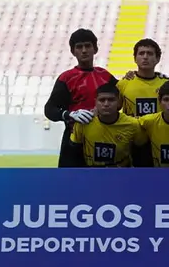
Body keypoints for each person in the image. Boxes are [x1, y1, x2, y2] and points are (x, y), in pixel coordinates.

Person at [44, 28, 118, 167]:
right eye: (79, 47)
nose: (84, 50)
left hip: (104, 139)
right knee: (70, 185)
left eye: (88, 46)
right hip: (74, 141)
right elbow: (49, 109)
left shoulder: (106, 76)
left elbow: (126, 94)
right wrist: (69, 114)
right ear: (73, 51)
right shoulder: (66, 78)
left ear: (95, 49)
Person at [61, 82, 149, 168]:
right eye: (102, 100)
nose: (106, 104)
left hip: (121, 174)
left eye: (111, 100)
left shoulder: (132, 124)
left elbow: (141, 153)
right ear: (95, 102)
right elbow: (74, 152)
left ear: (118, 102)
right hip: (91, 173)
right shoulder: (83, 123)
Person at [117, 38, 169, 117]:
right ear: (135, 58)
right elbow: (112, 111)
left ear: (158, 59)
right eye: (141, 53)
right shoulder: (123, 84)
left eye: (149, 53)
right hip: (132, 129)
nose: (145, 57)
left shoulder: (166, 84)